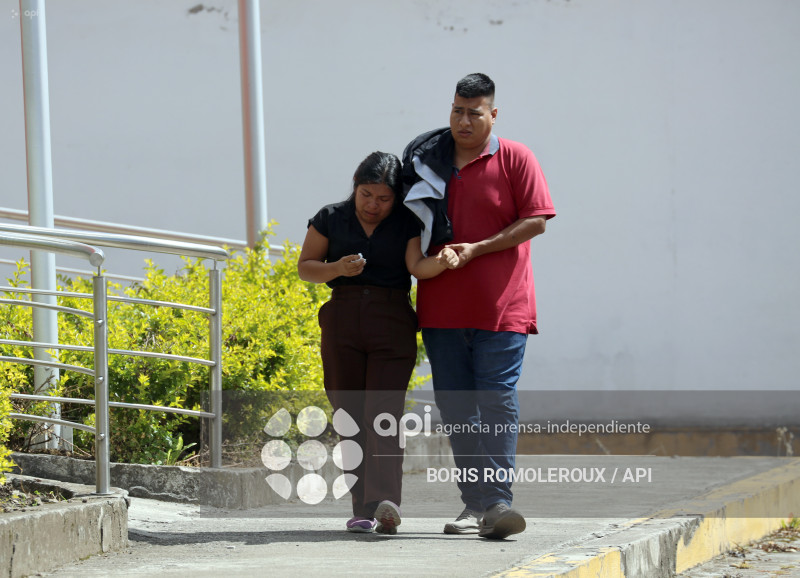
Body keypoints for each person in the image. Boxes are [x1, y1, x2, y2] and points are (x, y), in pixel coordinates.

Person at [403, 73, 556, 539]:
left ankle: (498, 502)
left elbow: (536, 221)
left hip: (502, 307)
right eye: (456, 110)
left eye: (474, 112)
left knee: (496, 401)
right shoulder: (427, 163)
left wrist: (476, 249)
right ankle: (475, 504)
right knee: (456, 407)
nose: (463, 120)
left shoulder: (515, 157)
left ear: (493, 114)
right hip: (442, 310)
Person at [298, 151, 456, 535]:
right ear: (355, 188)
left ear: (395, 197)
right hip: (342, 321)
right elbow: (306, 267)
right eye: (366, 195)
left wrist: (445, 261)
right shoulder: (330, 217)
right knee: (349, 415)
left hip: (391, 322)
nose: (374, 205)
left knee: (383, 414)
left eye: (384, 198)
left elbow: (416, 266)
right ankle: (362, 509)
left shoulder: (406, 222)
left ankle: (385, 502)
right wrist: (337, 269)